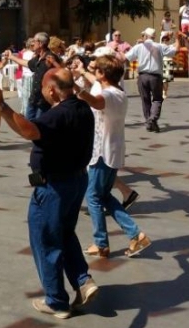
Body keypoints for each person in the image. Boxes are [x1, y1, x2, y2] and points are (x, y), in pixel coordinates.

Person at [0, 68, 99, 319]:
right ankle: (83, 280)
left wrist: (2, 107)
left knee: (45, 240)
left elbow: (29, 131)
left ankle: (56, 301)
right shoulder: (83, 108)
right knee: (63, 232)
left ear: (51, 90)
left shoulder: (59, 114)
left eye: (43, 87)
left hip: (54, 186)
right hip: (76, 180)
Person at [75, 55, 151, 259]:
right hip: (112, 149)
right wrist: (82, 74)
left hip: (103, 151)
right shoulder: (119, 92)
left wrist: (74, 86)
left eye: (97, 70)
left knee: (92, 196)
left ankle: (101, 243)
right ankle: (135, 234)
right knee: (104, 196)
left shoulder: (108, 95)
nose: (95, 72)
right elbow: (95, 89)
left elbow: (94, 101)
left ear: (103, 74)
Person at [124, 28, 176, 133]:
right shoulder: (160, 46)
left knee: (145, 100)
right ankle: (152, 119)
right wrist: (178, 39)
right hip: (155, 76)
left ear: (145, 36)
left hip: (142, 76)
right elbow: (173, 52)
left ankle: (149, 121)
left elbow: (127, 57)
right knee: (157, 99)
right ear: (154, 36)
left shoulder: (139, 47)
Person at [5, 32, 61, 121]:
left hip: (44, 101)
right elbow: (27, 63)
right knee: (29, 124)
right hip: (34, 98)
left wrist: (54, 63)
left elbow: (62, 73)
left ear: (41, 43)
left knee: (40, 127)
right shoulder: (38, 57)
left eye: (34, 41)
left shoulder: (50, 58)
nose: (32, 43)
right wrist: (11, 57)